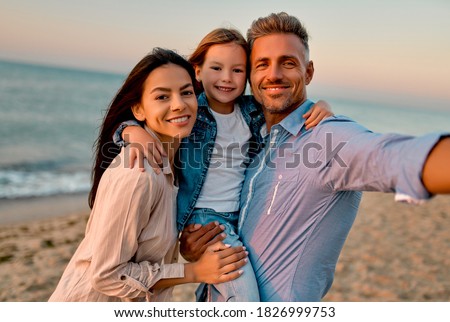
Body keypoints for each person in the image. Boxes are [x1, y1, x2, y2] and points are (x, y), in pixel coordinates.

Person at [179, 12, 450, 302]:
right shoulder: (252, 136)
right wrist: (192, 247)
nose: (274, 75)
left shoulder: (327, 138)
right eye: (262, 64)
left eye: (288, 63)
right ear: (251, 75)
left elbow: (393, 156)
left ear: (308, 72)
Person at [113, 28, 333, 301]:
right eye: (216, 68)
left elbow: (287, 107)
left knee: (217, 291)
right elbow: (151, 119)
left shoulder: (251, 111)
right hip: (207, 221)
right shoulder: (192, 110)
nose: (227, 78)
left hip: (242, 217)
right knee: (243, 298)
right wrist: (130, 131)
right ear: (197, 70)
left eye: (238, 70)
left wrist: (319, 105)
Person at [48, 48, 248, 302]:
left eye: (186, 93)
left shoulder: (177, 164)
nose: (179, 104)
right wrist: (194, 271)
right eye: (162, 96)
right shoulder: (139, 173)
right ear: (139, 110)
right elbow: (107, 275)